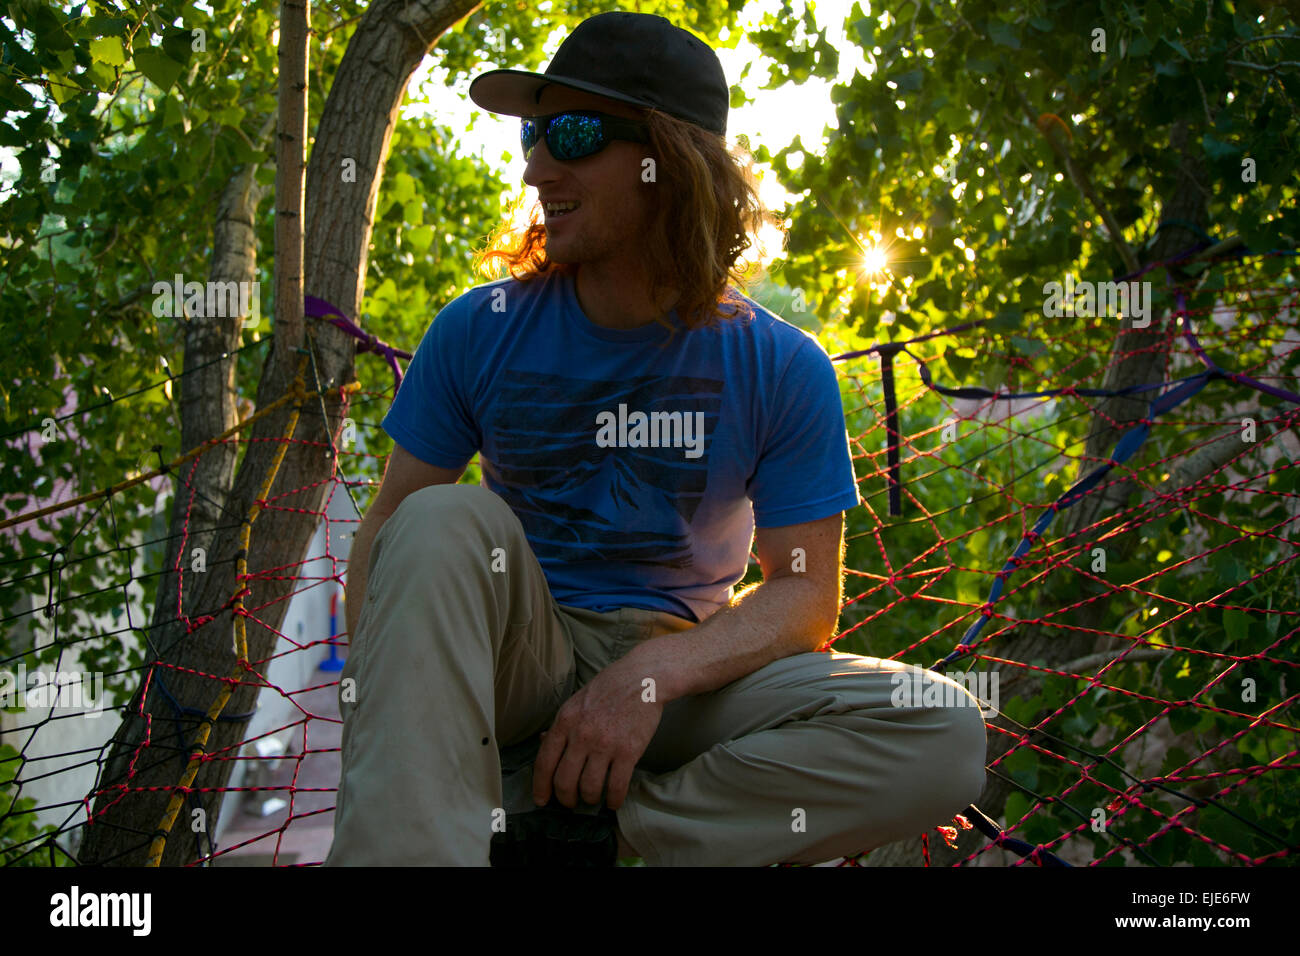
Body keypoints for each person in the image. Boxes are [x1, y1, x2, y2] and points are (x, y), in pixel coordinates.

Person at [325, 10, 986, 867]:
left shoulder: (783, 365)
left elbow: (804, 596)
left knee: (940, 728)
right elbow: (387, 533)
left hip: (680, 682)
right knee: (440, 520)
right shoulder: (475, 330)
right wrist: (372, 710)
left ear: (666, 162)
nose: (534, 166)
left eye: (570, 133)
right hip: (514, 658)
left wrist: (647, 681)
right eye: (533, 133)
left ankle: (596, 827)